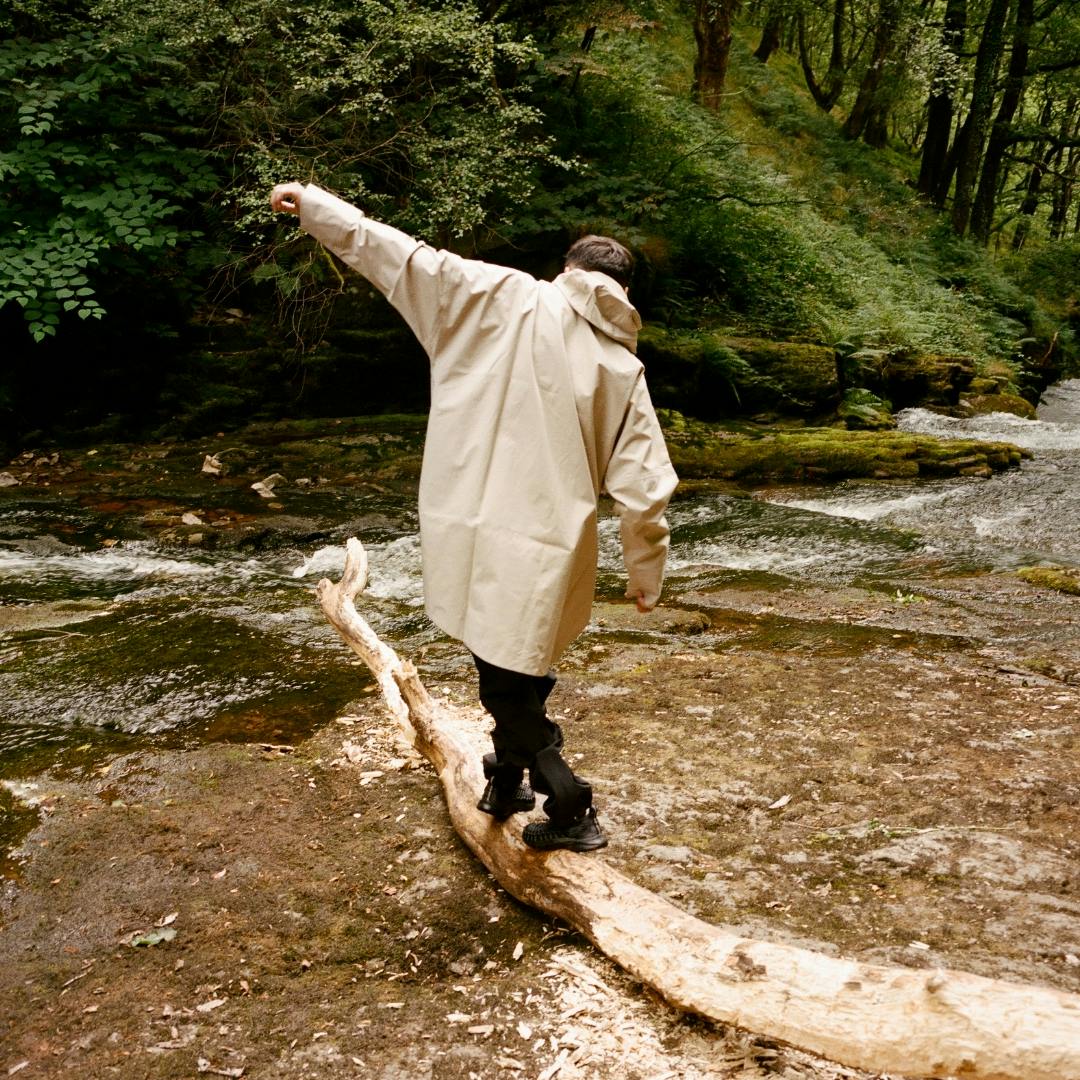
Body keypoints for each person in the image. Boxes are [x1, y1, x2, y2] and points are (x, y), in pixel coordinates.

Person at [271, 182, 677, 852]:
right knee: (517, 660)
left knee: (506, 677)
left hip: (475, 524)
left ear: (567, 271)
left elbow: (395, 254)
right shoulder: (622, 367)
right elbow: (645, 489)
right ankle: (506, 779)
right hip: (552, 545)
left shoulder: (497, 295)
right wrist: (645, 573)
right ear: (624, 292)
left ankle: (572, 807)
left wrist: (316, 208)